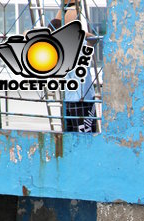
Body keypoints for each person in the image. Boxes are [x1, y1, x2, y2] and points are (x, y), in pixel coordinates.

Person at [52, 3, 97, 133]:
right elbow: (93, 39)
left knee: (75, 135)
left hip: (74, 97)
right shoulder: (75, 44)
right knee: (83, 137)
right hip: (80, 98)